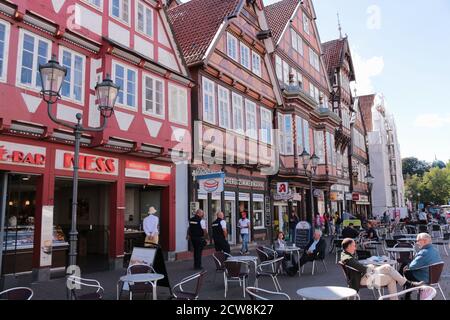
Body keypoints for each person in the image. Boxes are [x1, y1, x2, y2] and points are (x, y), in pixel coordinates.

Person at [340, 238, 423, 300]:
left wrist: (371, 267)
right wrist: (372, 268)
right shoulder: (348, 258)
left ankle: (406, 283)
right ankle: (406, 284)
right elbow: (363, 269)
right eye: (354, 246)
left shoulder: (345, 255)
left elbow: (360, 268)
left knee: (387, 267)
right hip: (361, 278)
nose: (355, 248)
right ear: (349, 246)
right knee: (391, 278)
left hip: (362, 275)